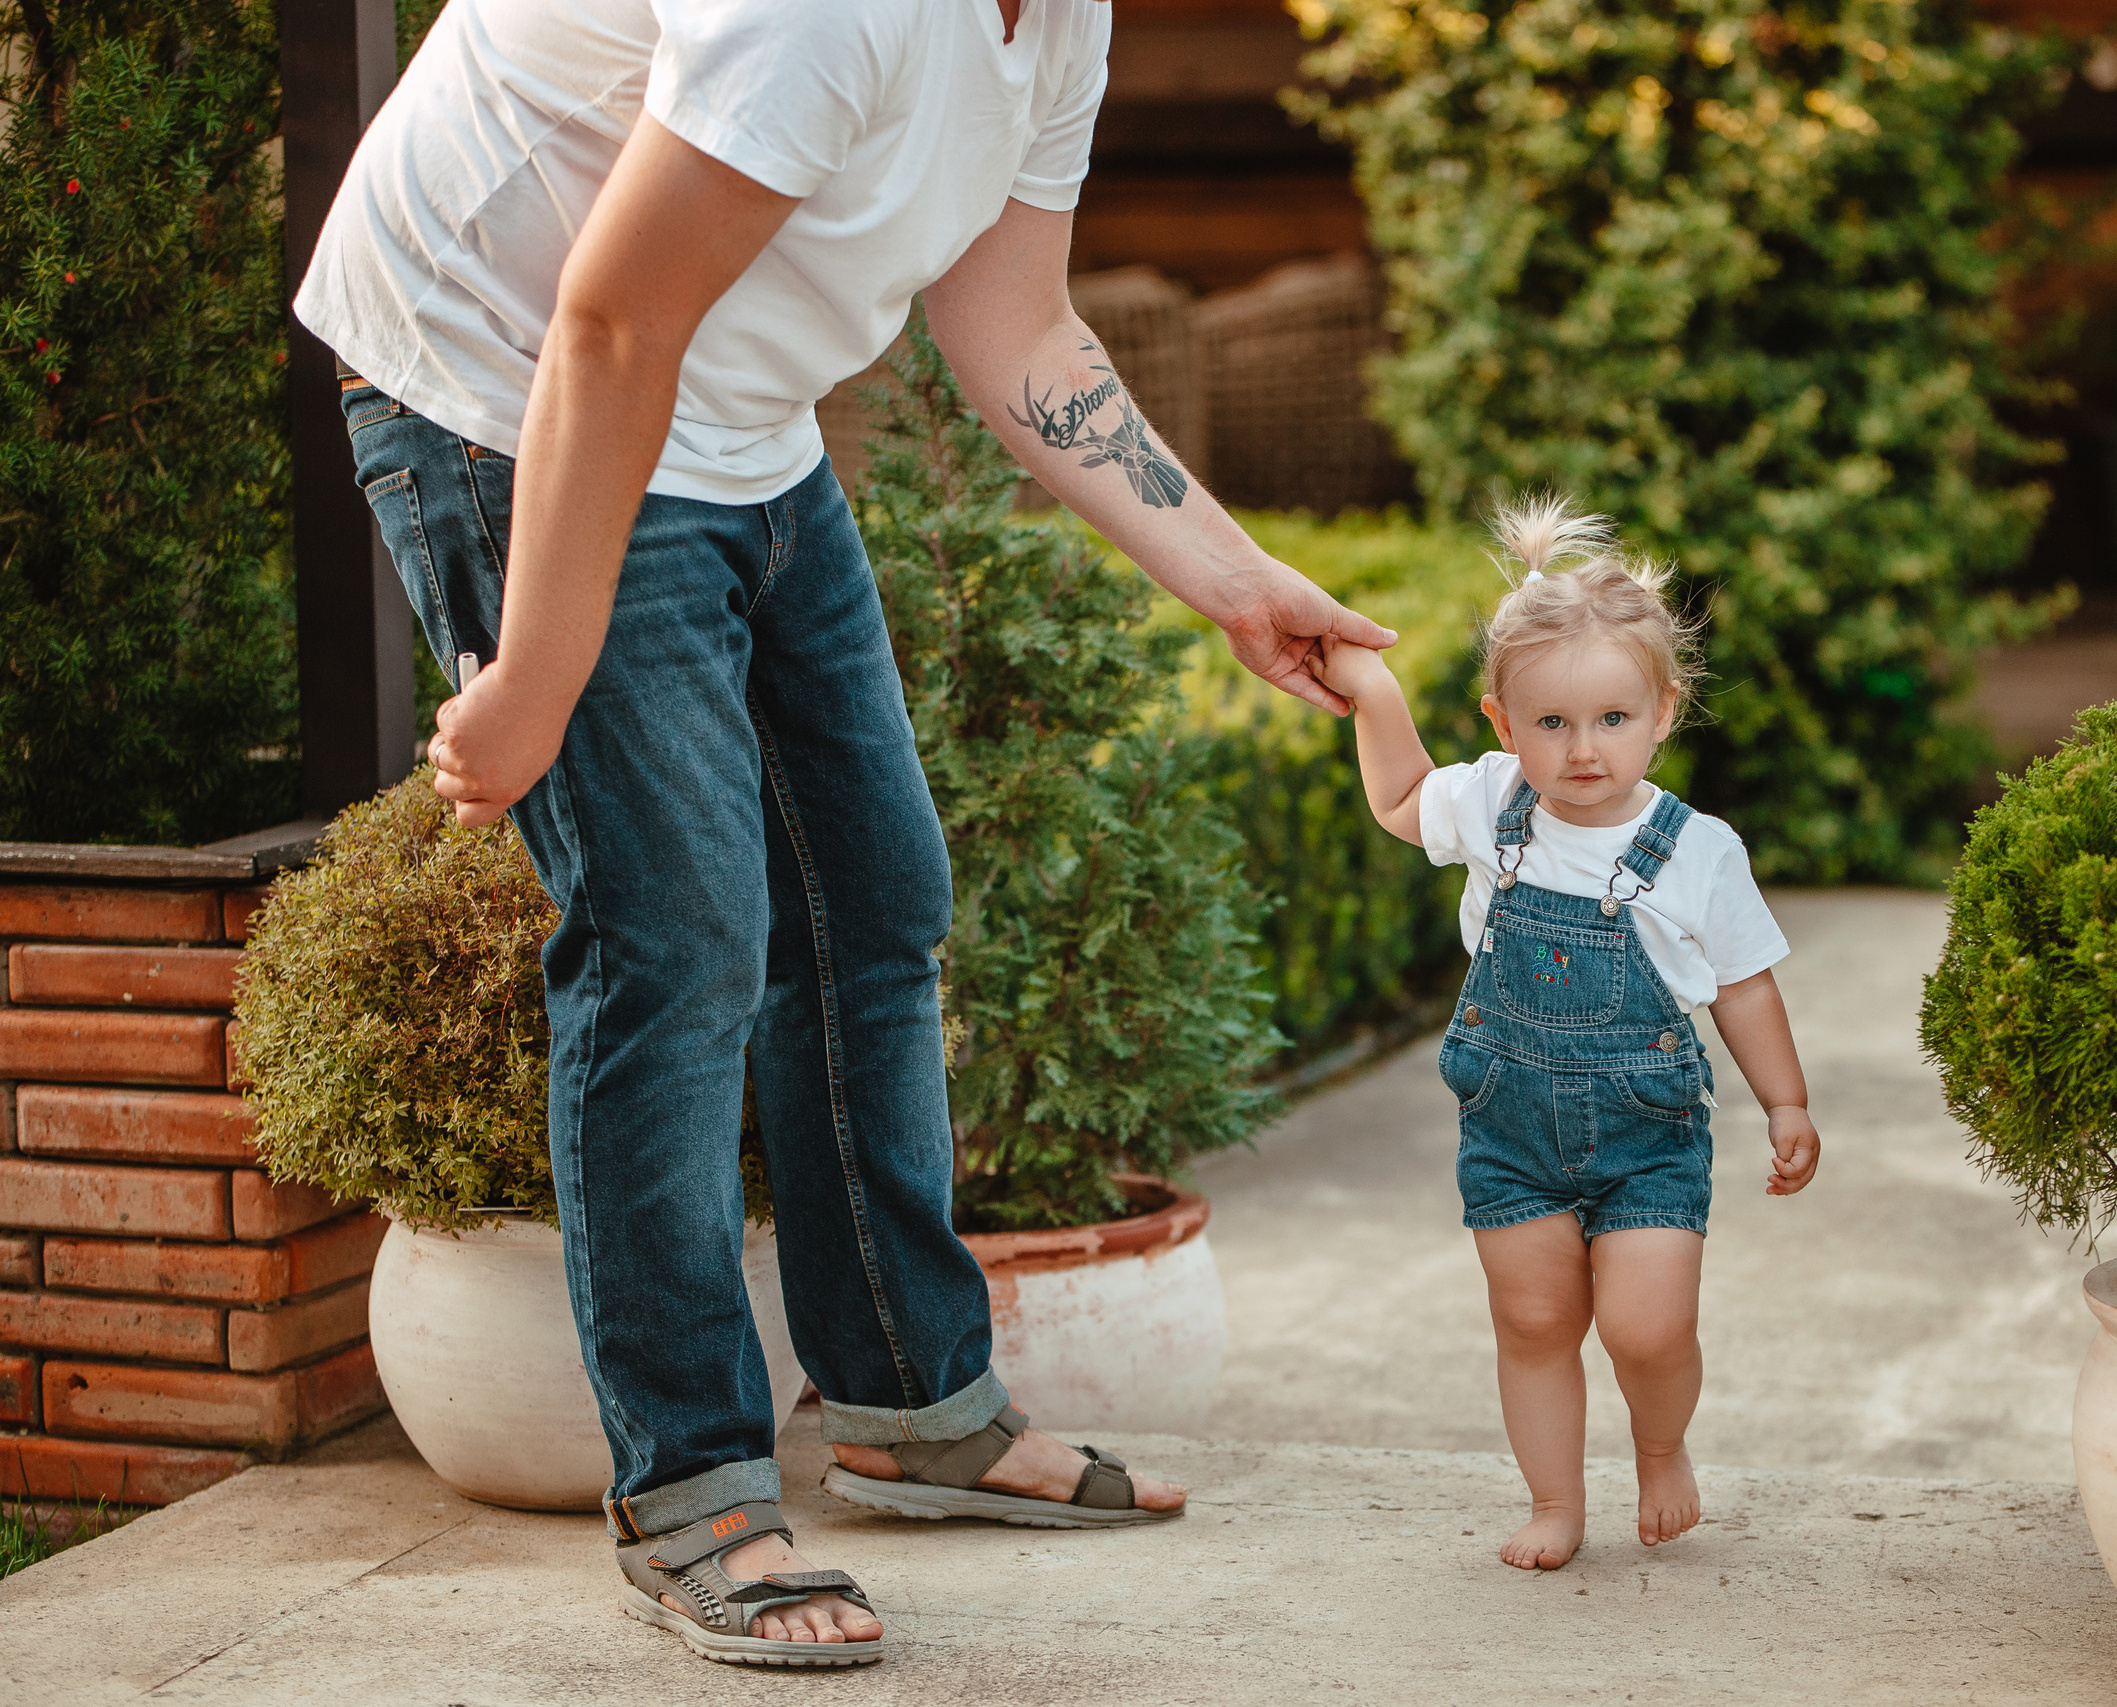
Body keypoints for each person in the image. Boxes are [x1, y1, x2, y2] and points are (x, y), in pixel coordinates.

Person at [294, 0, 1395, 1670]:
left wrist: (1237, 581)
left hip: (725, 407)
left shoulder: (1061, 15)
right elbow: (603, 323)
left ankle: (910, 1401)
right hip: (504, 381)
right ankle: (691, 1491)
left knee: (871, 894)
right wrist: (535, 676)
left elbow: (1020, 326)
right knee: (676, 938)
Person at [1307, 500, 1820, 1572]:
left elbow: (1743, 988)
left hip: (1645, 1134)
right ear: (1502, 724)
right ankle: (1552, 1503)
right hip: (1510, 1130)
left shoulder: (1696, 849)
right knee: (1534, 1323)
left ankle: (1662, 1447)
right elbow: (1401, 796)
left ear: (1662, 711)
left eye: (1611, 720)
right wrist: (1371, 688)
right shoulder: (1495, 805)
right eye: (1550, 725)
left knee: (1644, 1328)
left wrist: (1785, 1102)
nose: (1582, 750)